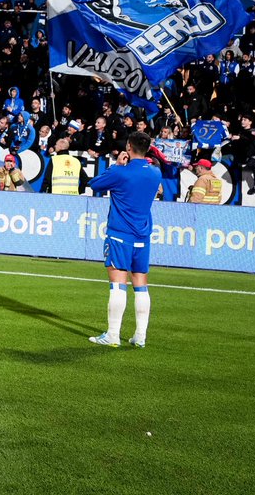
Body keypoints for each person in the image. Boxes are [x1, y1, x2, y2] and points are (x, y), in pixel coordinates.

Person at [85, 132, 161, 349]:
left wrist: (116, 166)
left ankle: (112, 335)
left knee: (118, 285)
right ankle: (140, 336)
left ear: (128, 146)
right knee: (141, 285)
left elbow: (95, 183)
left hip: (120, 235)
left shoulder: (122, 173)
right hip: (143, 237)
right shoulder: (155, 173)